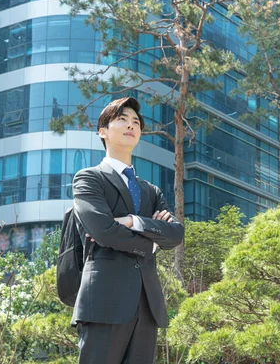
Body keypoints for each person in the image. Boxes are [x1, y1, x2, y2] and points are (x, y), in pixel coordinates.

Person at [71, 97, 184, 363]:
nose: (131, 125)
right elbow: (105, 231)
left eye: (136, 122)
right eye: (122, 119)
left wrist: (134, 221)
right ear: (103, 131)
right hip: (104, 302)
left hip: (147, 305)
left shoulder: (150, 190)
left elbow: (176, 234)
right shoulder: (89, 178)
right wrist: (152, 243)